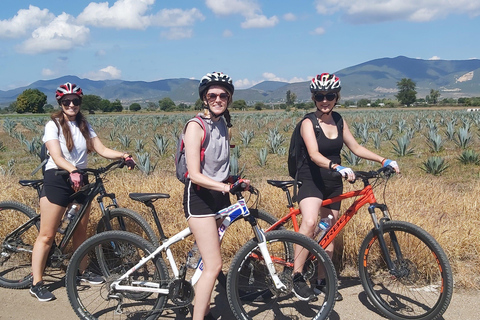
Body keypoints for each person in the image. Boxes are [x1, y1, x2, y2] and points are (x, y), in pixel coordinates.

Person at [292, 73, 400, 301]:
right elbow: (313, 154)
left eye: (329, 95)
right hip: (311, 178)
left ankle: (320, 281)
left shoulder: (339, 120)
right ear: (313, 97)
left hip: (332, 181)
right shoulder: (308, 123)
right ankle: (297, 277)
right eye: (320, 95)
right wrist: (336, 165)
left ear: (336, 97)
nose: (325, 99)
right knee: (311, 222)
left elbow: (356, 147)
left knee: (329, 232)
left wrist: (383, 160)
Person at [30, 82, 135, 302]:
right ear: (60, 103)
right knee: (47, 235)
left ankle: (81, 271)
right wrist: (72, 170)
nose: (71, 105)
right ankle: (36, 282)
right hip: (58, 178)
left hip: (80, 178)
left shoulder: (85, 125)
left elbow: (102, 149)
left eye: (75, 101)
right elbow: (57, 157)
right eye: (66, 101)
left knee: (80, 230)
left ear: (80, 103)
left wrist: (123, 155)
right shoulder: (54, 125)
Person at [183, 72, 247, 320]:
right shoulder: (195, 126)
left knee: (207, 261)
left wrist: (234, 181)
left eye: (223, 95)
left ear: (229, 98)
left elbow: (218, 169)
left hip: (220, 197)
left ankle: (202, 305)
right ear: (204, 98)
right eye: (212, 95)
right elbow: (195, 174)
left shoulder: (223, 125)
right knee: (214, 265)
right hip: (199, 199)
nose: (218, 99)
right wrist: (224, 188)